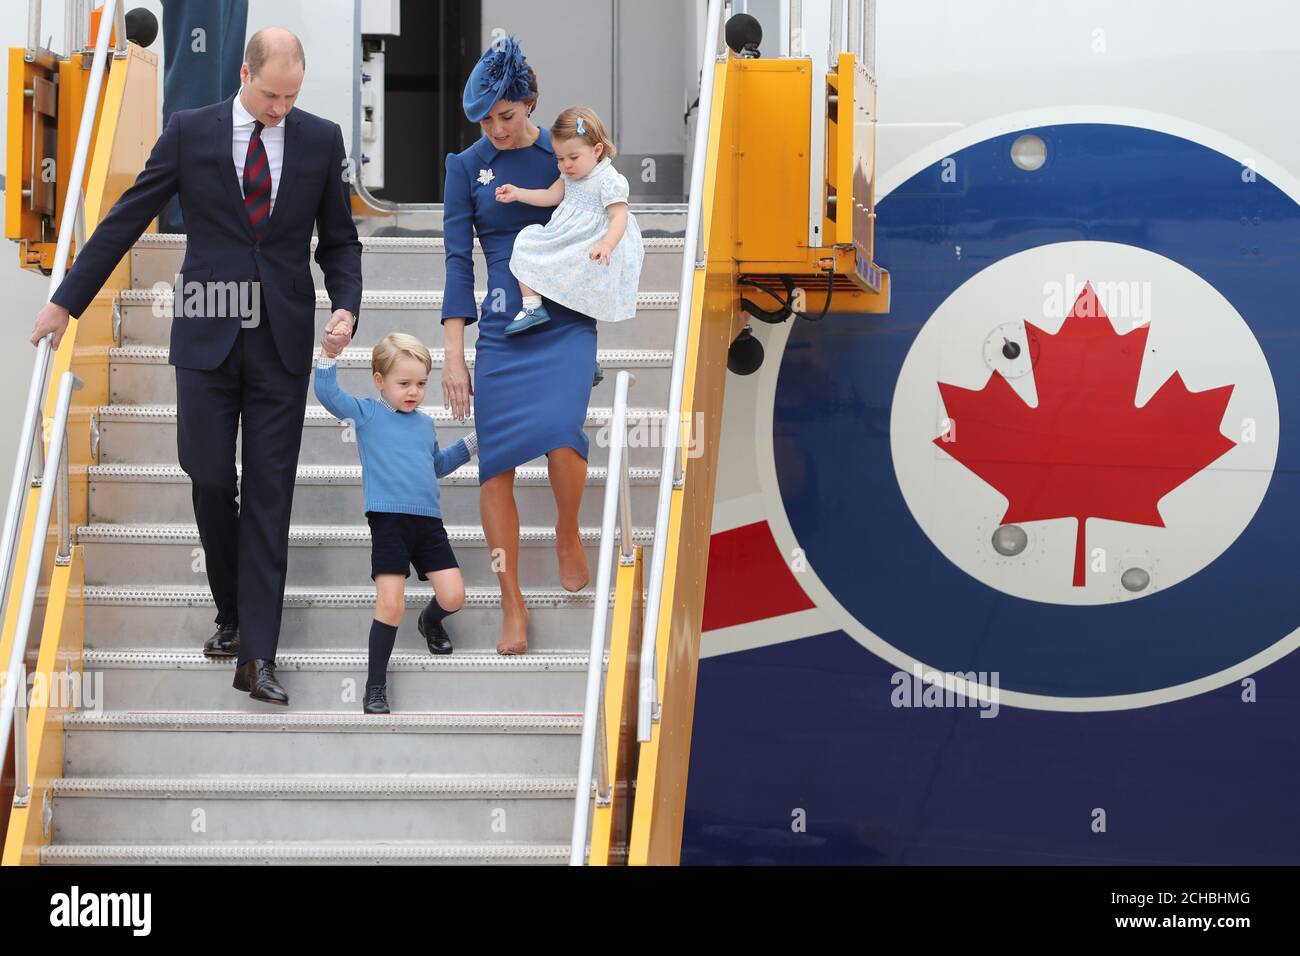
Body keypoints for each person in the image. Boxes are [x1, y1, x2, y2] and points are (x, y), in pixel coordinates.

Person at [28, 28, 363, 706]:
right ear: (244, 74)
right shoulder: (190, 131)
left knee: (271, 498)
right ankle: (233, 612)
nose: (280, 108)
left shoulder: (321, 140)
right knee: (211, 480)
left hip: (282, 344)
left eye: (292, 96)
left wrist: (346, 305)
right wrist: (66, 302)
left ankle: (259, 657)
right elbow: (127, 218)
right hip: (207, 337)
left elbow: (341, 240)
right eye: (272, 94)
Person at [442, 36, 599, 655]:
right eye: (484, 119)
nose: (495, 129)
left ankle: (566, 528)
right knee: (497, 464)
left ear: (528, 102)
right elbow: (458, 262)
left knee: (564, 431)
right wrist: (454, 352)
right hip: (502, 326)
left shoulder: (563, 155)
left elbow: (604, 214)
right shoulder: (465, 166)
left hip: (564, 317)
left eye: (505, 116)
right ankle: (513, 602)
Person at [314, 332, 476, 715]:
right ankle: (374, 687)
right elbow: (327, 394)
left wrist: (474, 441)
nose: (413, 392)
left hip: (428, 524)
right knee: (390, 604)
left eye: (421, 384)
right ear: (378, 381)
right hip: (388, 522)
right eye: (403, 384)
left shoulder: (423, 424)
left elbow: (435, 465)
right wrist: (328, 354)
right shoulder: (368, 414)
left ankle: (429, 620)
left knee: (454, 596)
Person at [496, 105, 644, 335]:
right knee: (526, 242)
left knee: (583, 274)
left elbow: (618, 217)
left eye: (573, 157)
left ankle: (581, 334)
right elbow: (551, 195)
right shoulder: (569, 174)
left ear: (596, 150)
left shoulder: (608, 180)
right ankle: (532, 307)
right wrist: (518, 193)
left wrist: (606, 245)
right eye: (560, 158)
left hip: (594, 242)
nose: (566, 165)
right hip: (567, 236)